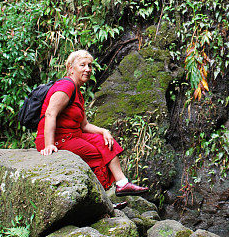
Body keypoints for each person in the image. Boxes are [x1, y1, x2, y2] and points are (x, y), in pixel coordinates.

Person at [35, 49, 146, 204]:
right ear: (71, 68)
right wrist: (49, 145)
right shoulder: (66, 86)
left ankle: (122, 184)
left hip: (72, 135)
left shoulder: (77, 92)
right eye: (82, 65)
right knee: (94, 155)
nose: (88, 69)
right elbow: (50, 114)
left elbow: (84, 125)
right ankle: (100, 202)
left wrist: (104, 131)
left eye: (90, 65)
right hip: (57, 138)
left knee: (105, 141)